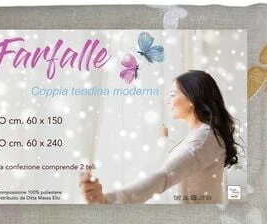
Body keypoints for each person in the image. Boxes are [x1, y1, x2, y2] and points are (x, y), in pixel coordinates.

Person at [80, 70, 240, 204]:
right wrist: (165, 141)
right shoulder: (202, 136)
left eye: (173, 95)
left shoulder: (204, 139)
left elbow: (165, 176)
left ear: (191, 99)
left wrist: (110, 201)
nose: (168, 101)